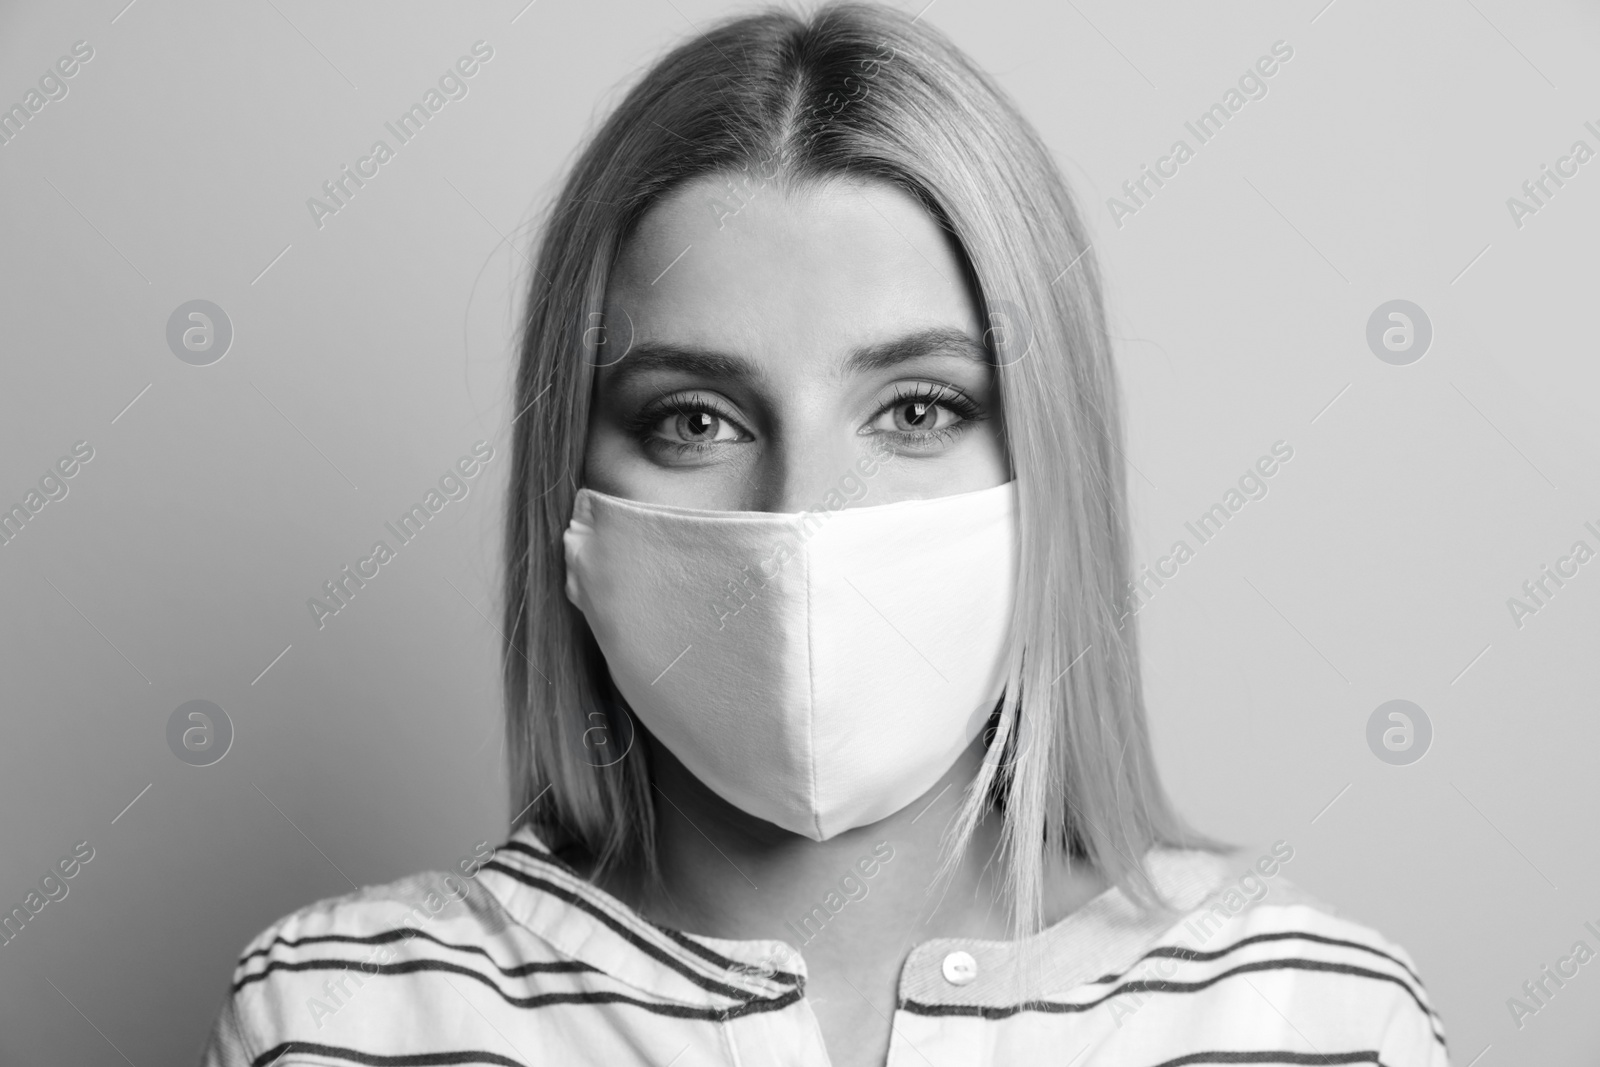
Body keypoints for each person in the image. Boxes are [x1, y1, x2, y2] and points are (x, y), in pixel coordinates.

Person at [200, 4, 1448, 1065]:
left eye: (916, 408)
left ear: (1052, 463)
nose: (806, 514)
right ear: (567, 495)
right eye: (695, 417)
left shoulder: (1312, 1016)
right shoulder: (344, 1016)